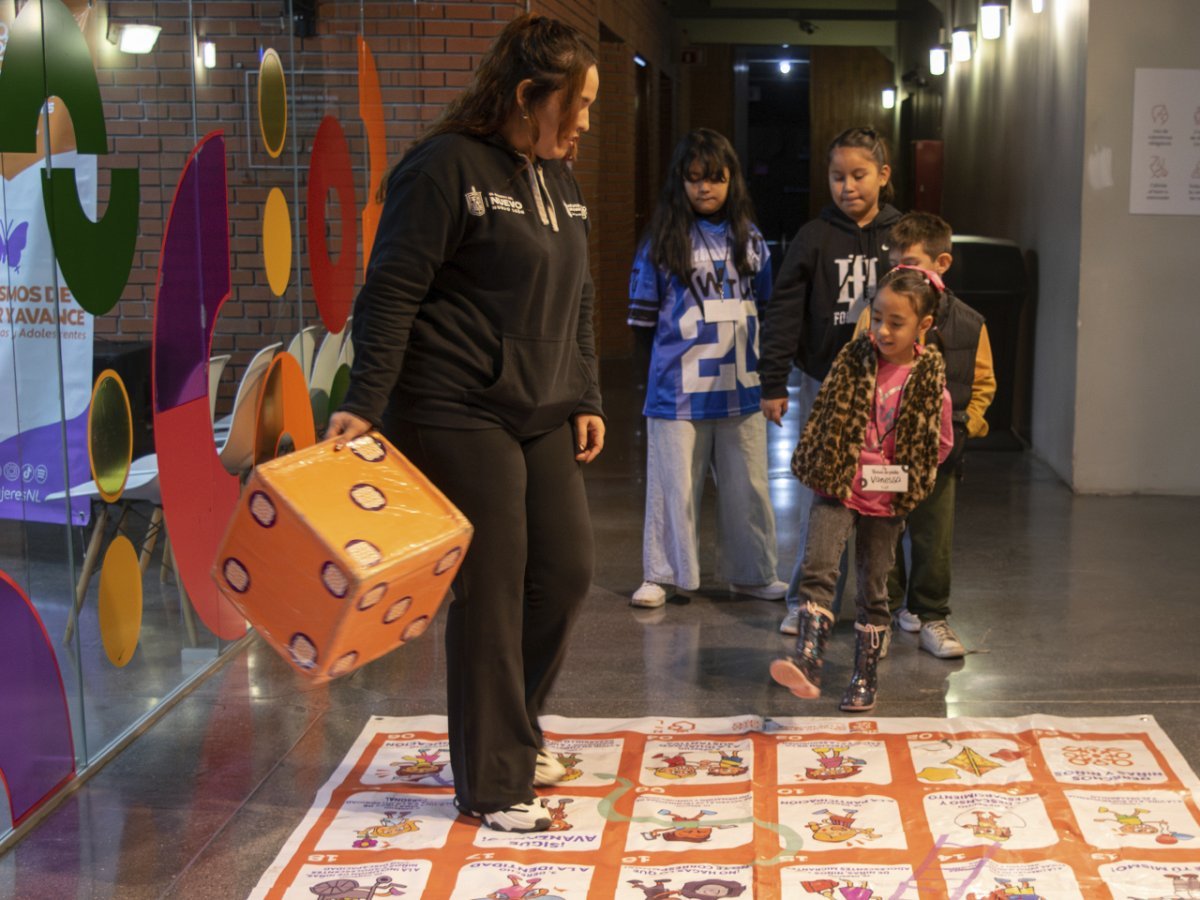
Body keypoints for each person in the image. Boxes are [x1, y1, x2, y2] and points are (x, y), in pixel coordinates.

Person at [326, 14, 603, 834]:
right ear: (528, 96)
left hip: (542, 406)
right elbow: (391, 292)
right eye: (578, 104)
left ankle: (515, 730)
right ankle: (492, 780)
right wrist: (363, 403)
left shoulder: (560, 177)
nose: (586, 121)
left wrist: (586, 392)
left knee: (566, 572)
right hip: (454, 404)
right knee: (493, 585)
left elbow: (579, 296)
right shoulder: (443, 167)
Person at [769, 266, 954, 713]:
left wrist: (906, 473)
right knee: (817, 566)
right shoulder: (852, 362)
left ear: (924, 325)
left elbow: (939, 443)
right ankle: (809, 660)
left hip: (887, 501)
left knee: (874, 587)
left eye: (896, 322)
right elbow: (825, 414)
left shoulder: (930, 384)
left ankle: (864, 676)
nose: (883, 330)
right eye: (878, 317)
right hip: (838, 485)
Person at [627, 129, 787, 609]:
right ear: (680, 181)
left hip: (741, 387)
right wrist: (654, 380)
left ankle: (752, 573)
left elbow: (766, 309)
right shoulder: (662, 241)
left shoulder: (751, 240)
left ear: (731, 180)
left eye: (715, 178)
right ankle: (662, 573)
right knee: (672, 487)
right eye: (694, 178)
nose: (705, 188)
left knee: (749, 487)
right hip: (678, 390)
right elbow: (642, 322)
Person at [756, 126, 902, 636]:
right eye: (837, 176)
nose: (847, 186)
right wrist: (774, 381)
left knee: (887, 497)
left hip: (892, 390)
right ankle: (810, 603)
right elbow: (784, 312)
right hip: (827, 386)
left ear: (883, 175)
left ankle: (881, 605)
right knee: (825, 495)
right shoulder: (813, 238)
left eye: (859, 175)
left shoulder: (902, 237)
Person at [851, 212, 996, 659]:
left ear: (942, 263)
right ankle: (882, 615)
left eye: (911, 263)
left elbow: (983, 383)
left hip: (939, 455)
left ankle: (931, 614)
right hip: (883, 453)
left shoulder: (969, 324)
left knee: (934, 536)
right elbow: (855, 372)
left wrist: (964, 425)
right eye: (895, 265)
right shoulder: (873, 316)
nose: (901, 272)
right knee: (881, 533)